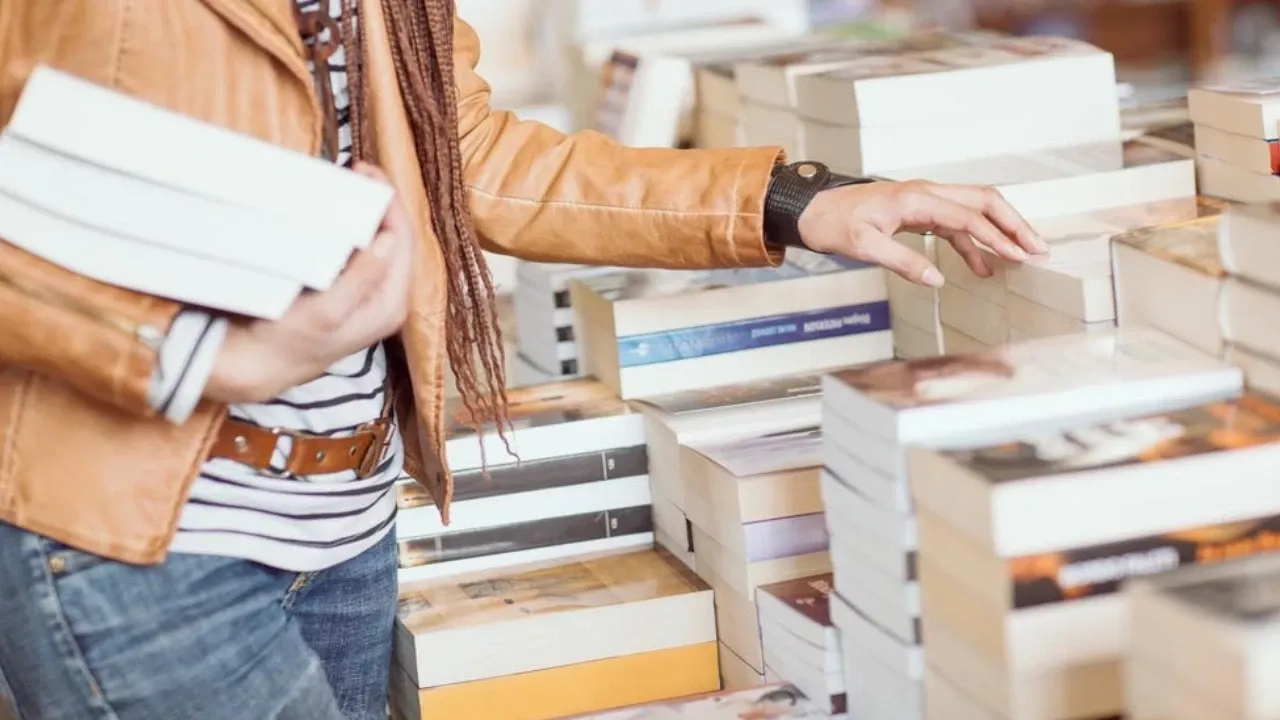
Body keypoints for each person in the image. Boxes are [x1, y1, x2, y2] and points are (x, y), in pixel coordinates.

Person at [0, 1, 1045, 718]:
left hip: (345, 523)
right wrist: (200, 355)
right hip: (138, 537)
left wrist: (795, 202)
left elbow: (461, 153)